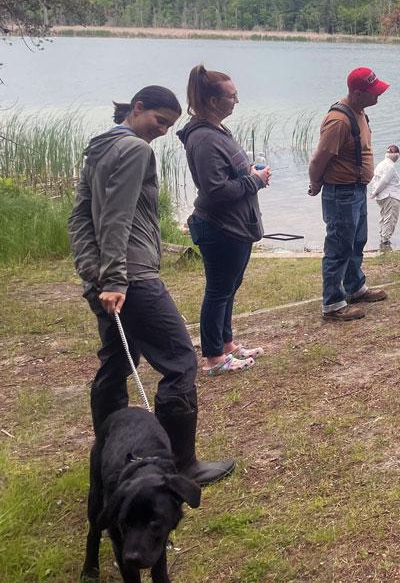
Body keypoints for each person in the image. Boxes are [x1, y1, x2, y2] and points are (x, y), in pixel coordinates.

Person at [68, 85, 235, 485]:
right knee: (179, 360)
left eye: (169, 125)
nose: (161, 131)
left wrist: (91, 272)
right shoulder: (135, 150)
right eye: (159, 121)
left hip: (108, 277)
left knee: (116, 361)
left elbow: (80, 217)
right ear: (137, 108)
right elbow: (117, 218)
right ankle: (179, 466)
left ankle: (111, 457)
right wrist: (113, 278)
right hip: (132, 278)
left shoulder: (99, 148)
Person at [178, 65, 269, 376]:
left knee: (229, 287)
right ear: (213, 100)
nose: (235, 101)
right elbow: (215, 190)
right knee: (218, 290)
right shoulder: (203, 138)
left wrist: (252, 176)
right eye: (232, 96)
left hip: (234, 226)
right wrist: (255, 180)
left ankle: (226, 343)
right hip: (220, 227)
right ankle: (215, 358)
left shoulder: (216, 130)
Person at [308, 67, 390, 320]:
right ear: (357, 93)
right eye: (373, 91)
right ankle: (332, 304)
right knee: (339, 247)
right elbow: (318, 160)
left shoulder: (360, 112)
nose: (378, 95)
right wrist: (315, 183)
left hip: (356, 189)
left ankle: (355, 287)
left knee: (357, 241)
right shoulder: (339, 120)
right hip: (341, 193)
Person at [368, 144, 400, 252]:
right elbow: (384, 181)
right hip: (390, 195)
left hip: (381, 196)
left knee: (384, 216)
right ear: (396, 155)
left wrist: (374, 192)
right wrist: (374, 193)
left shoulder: (381, 164)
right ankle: (386, 241)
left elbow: (374, 180)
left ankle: (383, 238)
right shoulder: (390, 166)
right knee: (391, 217)